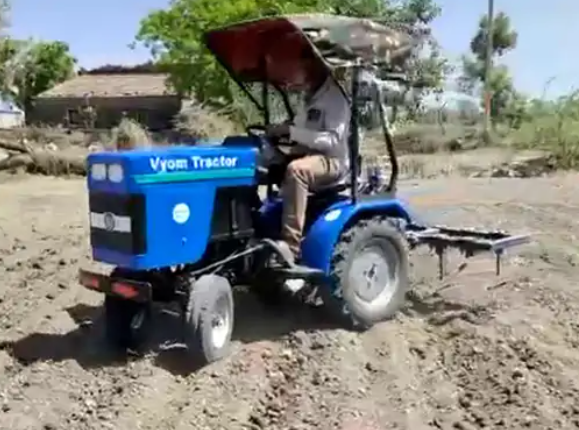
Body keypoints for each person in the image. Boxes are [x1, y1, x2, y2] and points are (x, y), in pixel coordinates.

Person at [265, 63, 351, 292]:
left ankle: (290, 250)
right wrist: (279, 129)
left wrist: (292, 132)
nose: (299, 73)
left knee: (297, 170)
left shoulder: (335, 98)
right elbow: (299, 127)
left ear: (320, 67)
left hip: (331, 162)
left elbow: (331, 140)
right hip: (308, 154)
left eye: (304, 67)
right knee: (262, 163)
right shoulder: (311, 96)